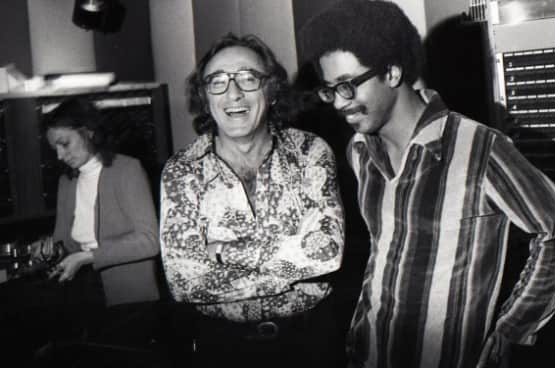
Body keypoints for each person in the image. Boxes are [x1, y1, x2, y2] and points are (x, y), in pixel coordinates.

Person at [298, 0, 555, 368]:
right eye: (329, 90)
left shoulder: (480, 148)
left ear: (392, 73)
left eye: (347, 86)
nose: (339, 103)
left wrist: (512, 328)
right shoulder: (359, 151)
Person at [159, 33, 345, 368]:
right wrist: (292, 271)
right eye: (217, 81)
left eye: (248, 78)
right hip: (225, 348)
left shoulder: (310, 152)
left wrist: (222, 251)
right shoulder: (182, 171)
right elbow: (184, 282)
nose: (233, 93)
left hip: (311, 340)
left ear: (271, 90)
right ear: (204, 97)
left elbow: (326, 252)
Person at [4, 98, 161, 361]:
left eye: (64, 144)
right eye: (54, 148)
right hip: (80, 292)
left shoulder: (127, 170)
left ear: (89, 132)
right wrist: (49, 250)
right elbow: (65, 244)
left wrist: (88, 256)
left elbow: (150, 241)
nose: (59, 155)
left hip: (129, 299)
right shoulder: (67, 181)